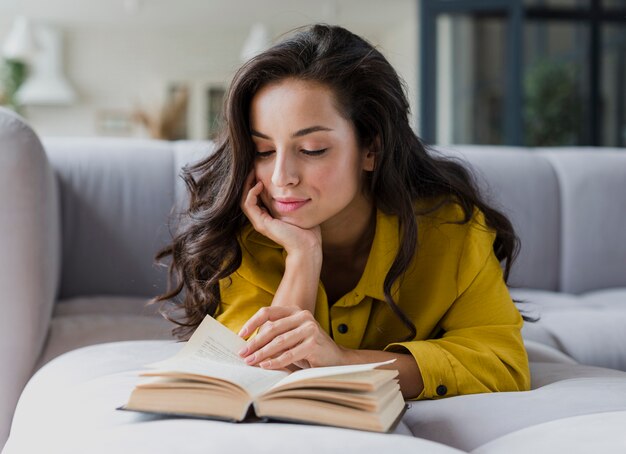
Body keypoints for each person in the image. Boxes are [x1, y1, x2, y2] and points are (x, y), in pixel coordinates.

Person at [153, 24, 530, 400]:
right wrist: (302, 255)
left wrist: (344, 360)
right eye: (264, 151)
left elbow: (503, 363)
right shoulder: (246, 233)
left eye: (313, 149)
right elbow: (259, 375)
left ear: (371, 148)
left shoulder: (452, 230)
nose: (282, 177)